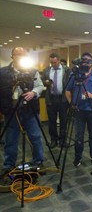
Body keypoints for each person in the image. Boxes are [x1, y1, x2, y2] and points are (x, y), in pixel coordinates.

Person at [0, 47, 45, 179]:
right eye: (18, 54)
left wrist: (33, 93)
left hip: (30, 110)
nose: (20, 57)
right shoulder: (3, 72)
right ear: (12, 56)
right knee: (11, 139)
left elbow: (40, 85)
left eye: (23, 55)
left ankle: (38, 162)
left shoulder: (32, 71)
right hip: (11, 111)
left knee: (35, 137)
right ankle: (8, 165)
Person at [65, 52, 92, 166]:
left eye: (88, 60)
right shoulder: (75, 75)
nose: (86, 62)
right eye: (84, 60)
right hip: (78, 110)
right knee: (78, 136)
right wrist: (71, 103)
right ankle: (78, 157)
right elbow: (67, 90)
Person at [42, 53, 70, 148]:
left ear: (58, 60)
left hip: (63, 99)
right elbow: (41, 82)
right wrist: (45, 82)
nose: (53, 64)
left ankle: (63, 140)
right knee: (52, 121)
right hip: (51, 99)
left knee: (64, 120)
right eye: (51, 63)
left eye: (54, 62)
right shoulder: (46, 71)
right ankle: (53, 140)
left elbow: (70, 84)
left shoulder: (66, 70)